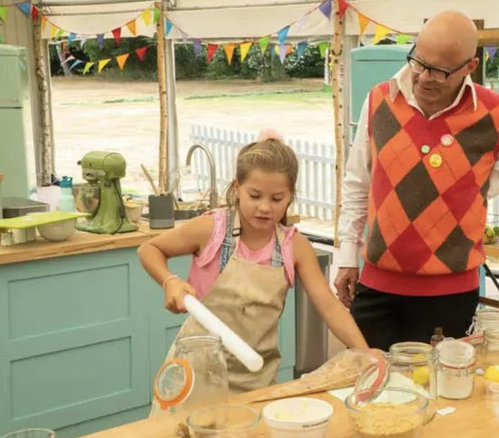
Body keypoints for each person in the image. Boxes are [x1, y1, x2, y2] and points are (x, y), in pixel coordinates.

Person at [335, 10, 499, 351]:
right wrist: (345, 256)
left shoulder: (496, 113)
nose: (425, 77)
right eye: (419, 62)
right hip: (376, 286)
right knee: (370, 386)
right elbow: (357, 182)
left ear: (470, 67)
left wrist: (487, 183)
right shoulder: (379, 101)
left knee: (442, 393)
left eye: (440, 71)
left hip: (449, 294)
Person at [139, 131, 371, 408]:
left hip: (255, 378)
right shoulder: (213, 229)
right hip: (196, 375)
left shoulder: (293, 247)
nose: (264, 207)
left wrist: (366, 355)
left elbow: (330, 308)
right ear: (237, 188)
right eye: (254, 195)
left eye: (276, 199)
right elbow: (149, 249)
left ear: (290, 198)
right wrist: (170, 281)